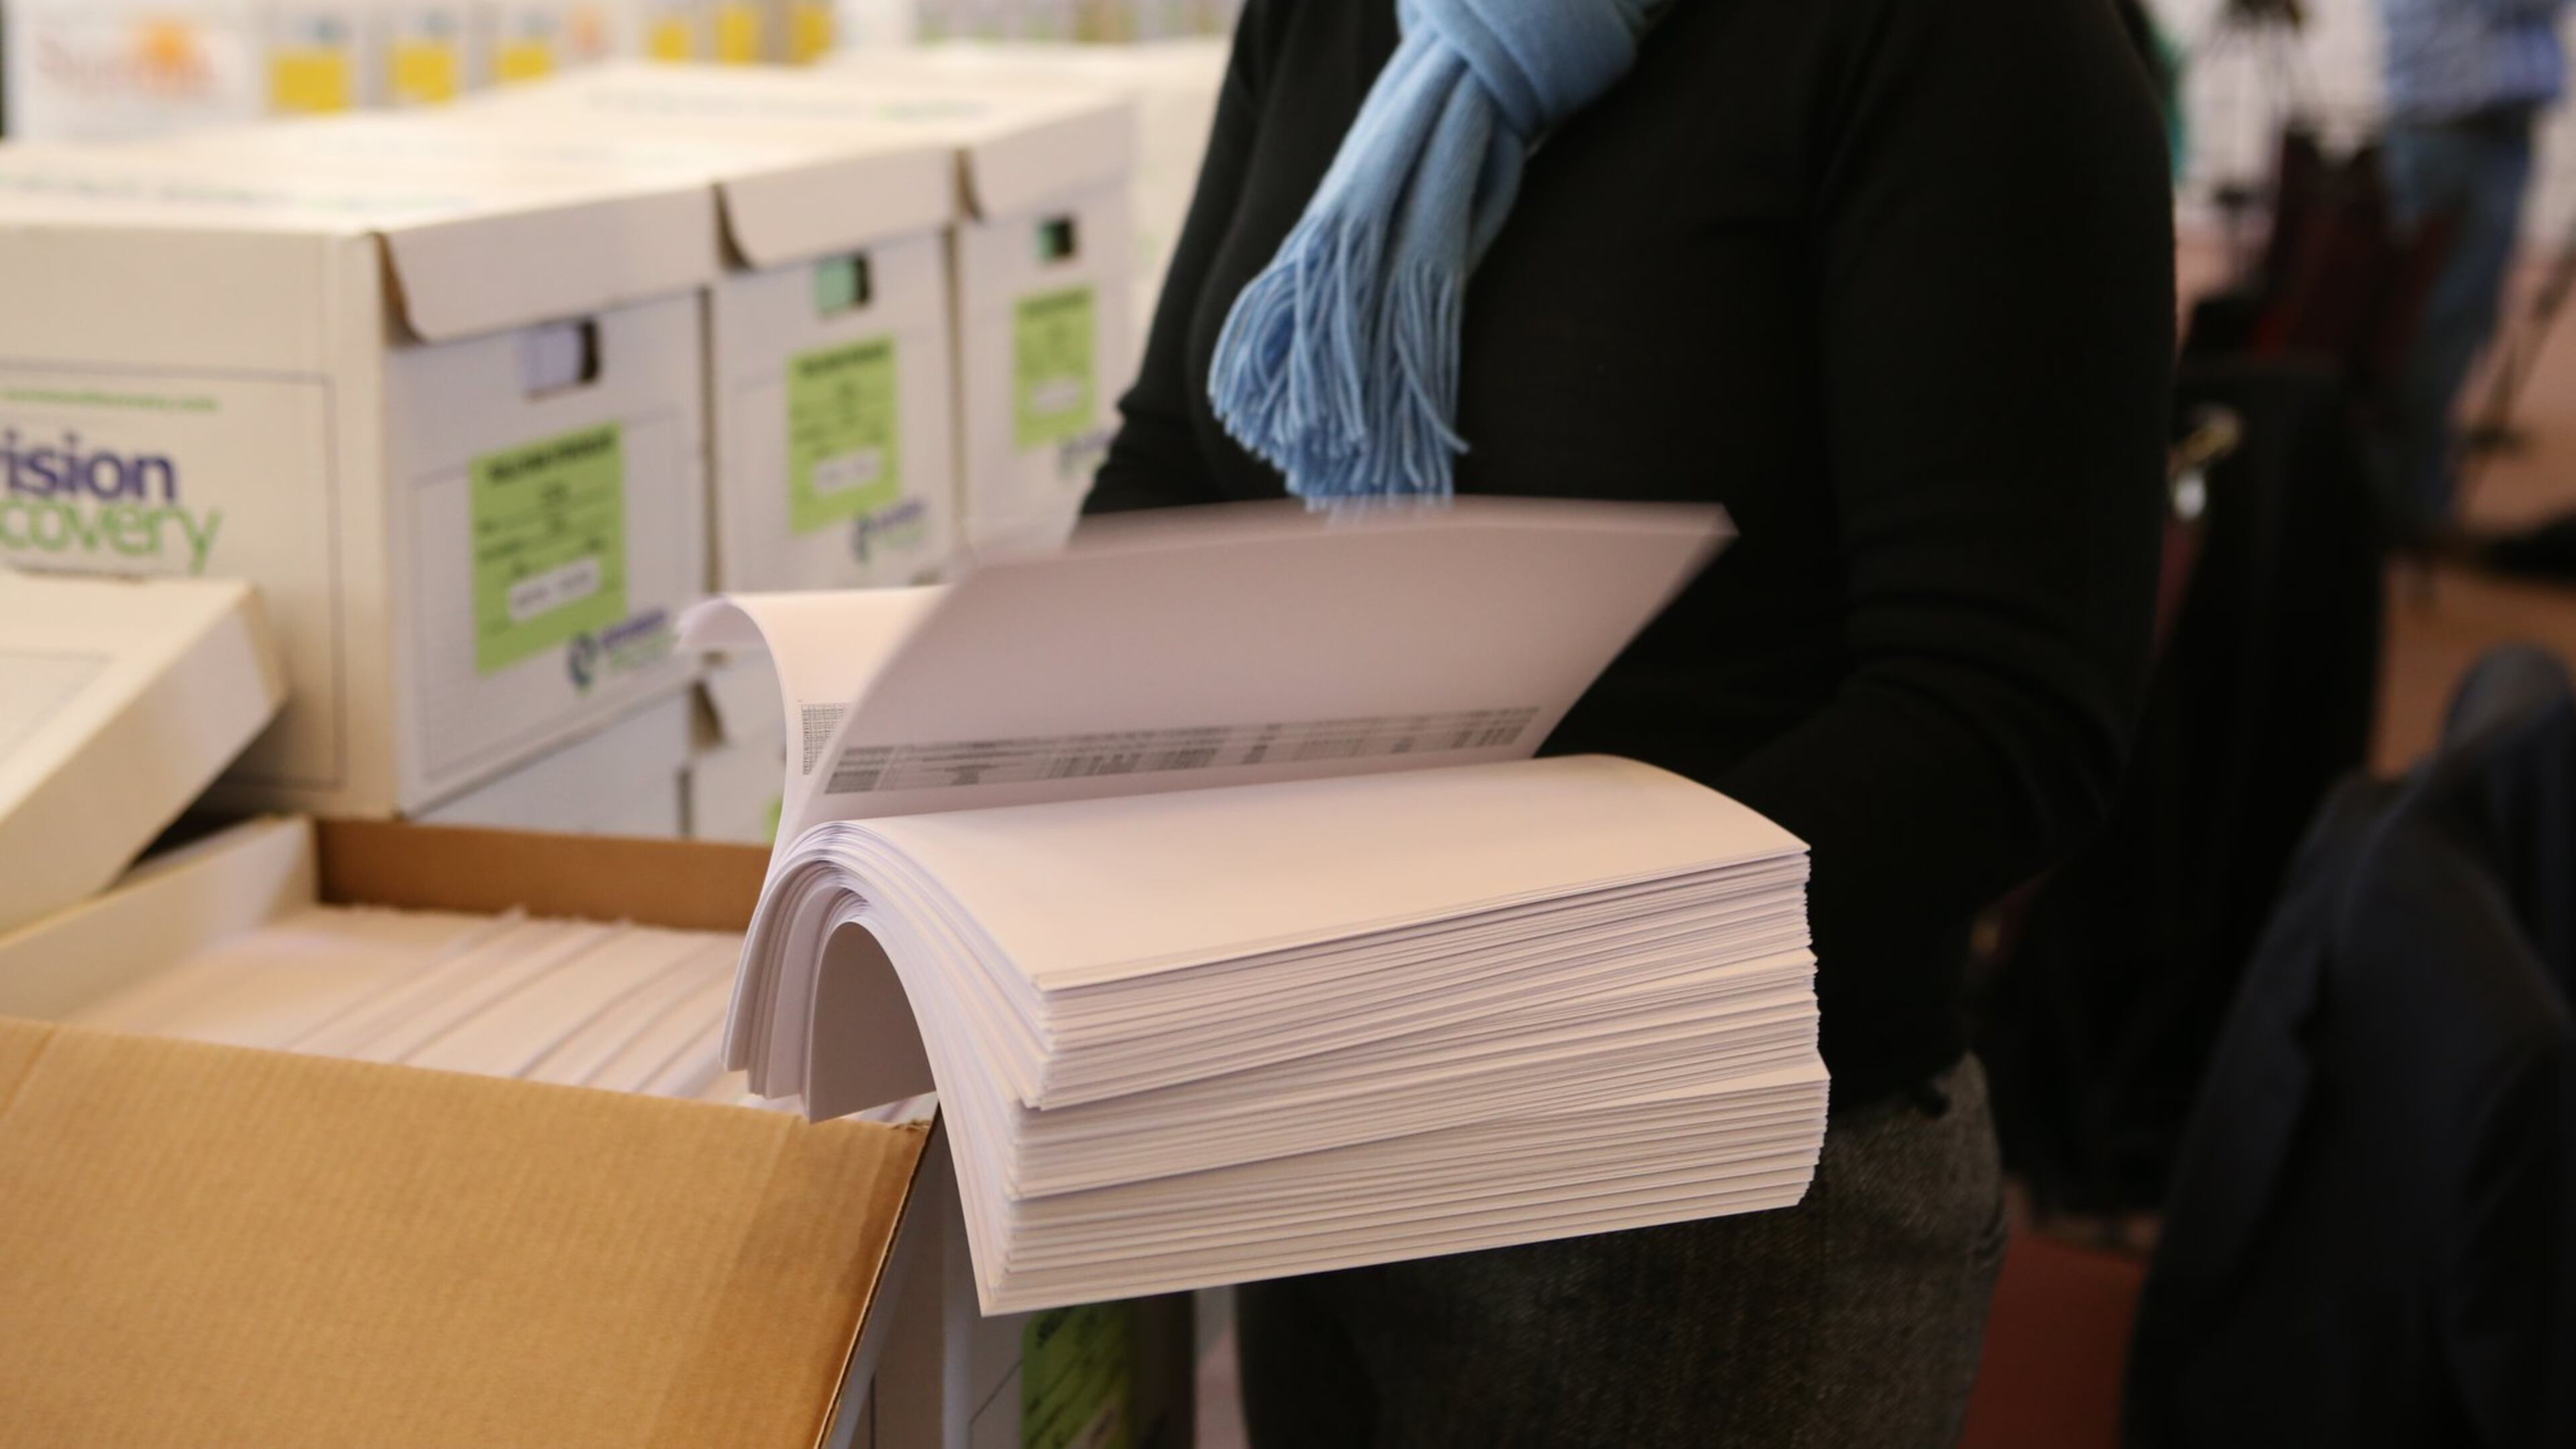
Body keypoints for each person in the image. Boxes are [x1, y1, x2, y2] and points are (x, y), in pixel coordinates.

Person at [1087, 1, 2175, 1444]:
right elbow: (1179, 452)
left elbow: (2002, 710)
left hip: (1705, 1202)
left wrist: (1455, 973)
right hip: (1325, 1127)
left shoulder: (1967, 43)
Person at [2378, 0, 2571, 531]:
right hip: (2458, 132)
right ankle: (2406, 494)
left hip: (2467, 130)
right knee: (2440, 319)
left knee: (2453, 316)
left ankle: (2412, 483)